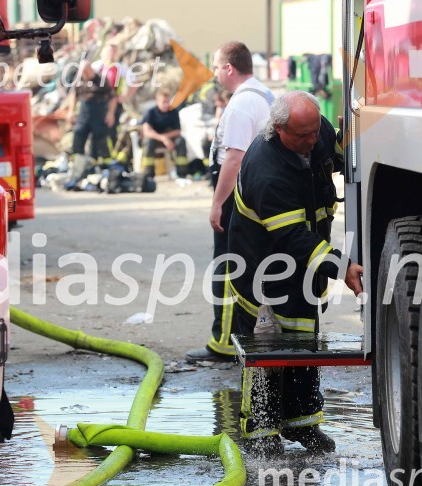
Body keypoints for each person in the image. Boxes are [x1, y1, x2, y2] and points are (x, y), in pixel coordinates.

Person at [227, 91, 364, 456]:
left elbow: (339, 157)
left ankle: (303, 425)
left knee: (303, 341)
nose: (312, 141)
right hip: (262, 271)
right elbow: (292, 237)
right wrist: (340, 267)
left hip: (303, 267)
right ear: (278, 129)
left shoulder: (314, 133)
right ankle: (261, 433)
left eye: (315, 130)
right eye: (302, 135)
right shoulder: (266, 169)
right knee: (267, 351)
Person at [185, 41, 273, 363]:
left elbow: (233, 159)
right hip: (258, 197)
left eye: (216, 68)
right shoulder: (264, 95)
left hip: (236, 199)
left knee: (225, 269)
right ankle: (250, 336)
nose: (215, 75)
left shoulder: (239, 106)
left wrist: (217, 203)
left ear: (229, 68)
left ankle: (222, 344)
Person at [65, 43, 137, 189]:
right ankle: (80, 167)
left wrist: (122, 100)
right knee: (79, 135)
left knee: (103, 138)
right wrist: (70, 111)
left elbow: (114, 95)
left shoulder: (115, 71)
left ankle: (105, 167)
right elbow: (74, 94)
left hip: (102, 111)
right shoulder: (93, 70)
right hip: (85, 112)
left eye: (113, 52)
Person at [140, 89, 189, 181]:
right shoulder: (151, 113)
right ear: (157, 101)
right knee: (148, 142)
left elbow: (178, 131)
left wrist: (166, 138)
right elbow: (147, 131)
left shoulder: (173, 112)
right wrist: (163, 138)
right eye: (163, 102)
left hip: (170, 141)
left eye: (168, 102)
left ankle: (182, 173)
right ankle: (148, 174)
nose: (166, 104)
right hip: (154, 140)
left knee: (181, 141)